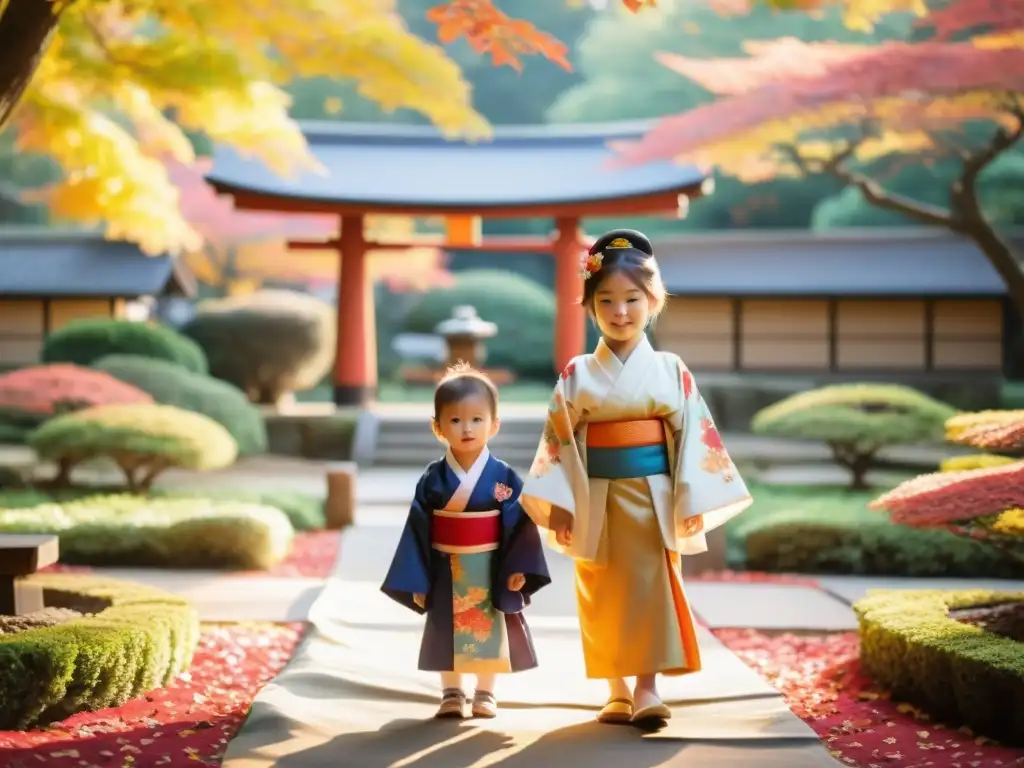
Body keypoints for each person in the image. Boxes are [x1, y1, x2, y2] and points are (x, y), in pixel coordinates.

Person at [519, 228, 753, 725]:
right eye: (606, 300)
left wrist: (693, 502)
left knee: (652, 588)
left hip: (654, 495)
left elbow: (695, 438)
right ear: (590, 305)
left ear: (653, 300)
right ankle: (615, 687)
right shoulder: (577, 375)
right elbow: (558, 443)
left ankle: (647, 687)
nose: (620, 311)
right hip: (594, 496)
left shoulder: (671, 369)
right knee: (600, 589)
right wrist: (559, 504)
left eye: (632, 299)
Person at [382, 362, 551, 719]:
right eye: (455, 420)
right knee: (446, 630)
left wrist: (519, 568)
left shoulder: (503, 477)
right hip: (445, 565)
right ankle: (452, 691)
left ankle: (485, 692)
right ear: (437, 427)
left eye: (477, 419)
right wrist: (418, 579)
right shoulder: (433, 478)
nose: (467, 428)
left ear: (494, 424)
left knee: (489, 629)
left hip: (490, 567)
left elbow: (520, 525)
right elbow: (417, 528)